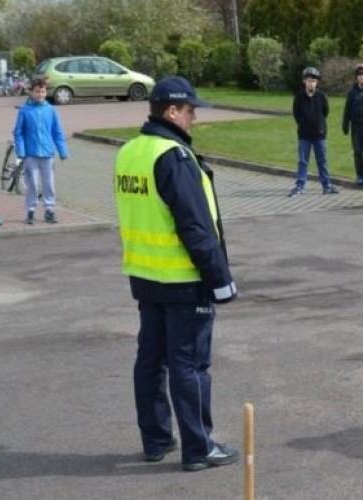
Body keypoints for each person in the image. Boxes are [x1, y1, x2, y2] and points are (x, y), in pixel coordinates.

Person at [114, 76, 240, 472]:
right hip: (184, 279)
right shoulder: (173, 157)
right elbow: (196, 227)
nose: (193, 118)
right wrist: (220, 280)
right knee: (190, 365)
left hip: (145, 276)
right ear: (172, 111)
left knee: (151, 360)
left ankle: (156, 440)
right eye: (190, 111)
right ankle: (199, 448)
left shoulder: (129, 152)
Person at [12, 78, 69, 224]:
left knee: (49, 183)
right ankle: (30, 210)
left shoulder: (51, 110)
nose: (40, 94)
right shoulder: (25, 110)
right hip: (31, 154)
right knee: (32, 183)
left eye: (43, 91)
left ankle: (49, 209)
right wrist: (21, 151)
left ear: (46, 92)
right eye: (37, 91)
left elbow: (57, 132)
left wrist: (62, 150)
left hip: (48, 154)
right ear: (31, 92)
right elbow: (18, 133)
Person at [289, 67, 340, 197]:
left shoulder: (322, 96)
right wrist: (304, 124)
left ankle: (326, 185)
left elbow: (325, 112)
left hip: (319, 134)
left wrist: (319, 125)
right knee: (303, 161)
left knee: (322, 161)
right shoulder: (299, 97)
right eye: (309, 80)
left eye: (313, 81)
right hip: (304, 135)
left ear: (317, 83)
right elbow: (296, 114)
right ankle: (300, 186)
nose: (311, 83)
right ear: (304, 82)